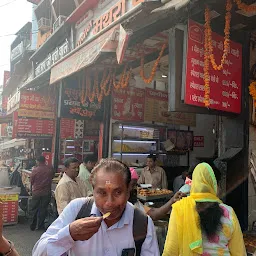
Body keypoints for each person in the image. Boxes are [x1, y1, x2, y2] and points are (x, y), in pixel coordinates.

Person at [32, 158, 159, 256]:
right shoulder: (77, 210)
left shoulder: (142, 222)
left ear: (128, 192)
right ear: (93, 191)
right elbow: (39, 252)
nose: (109, 203)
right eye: (102, 193)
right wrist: (70, 234)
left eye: (118, 192)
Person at [163, 162, 246, 256]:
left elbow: (170, 251)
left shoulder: (180, 209)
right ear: (214, 185)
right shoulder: (229, 212)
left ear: (194, 184)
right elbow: (239, 252)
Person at [29, 156, 54, 231]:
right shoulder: (50, 169)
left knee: (34, 209)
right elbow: (52, 177)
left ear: (37, 161)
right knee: (43, 209)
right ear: (44, 161)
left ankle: (32, 226)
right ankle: (40, 226)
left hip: (36, 192)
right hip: (46, 192)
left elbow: (31, 181)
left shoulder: (35, 170)